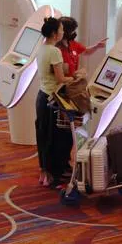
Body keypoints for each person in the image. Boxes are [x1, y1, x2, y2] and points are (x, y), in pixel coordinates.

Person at [34, 17, 81, 189]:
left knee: (43, 135)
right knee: (58, 137)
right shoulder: (55, 52)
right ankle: (55, 173)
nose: (63, 32)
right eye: (61, 29)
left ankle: (45, 172)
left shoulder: (43, 48)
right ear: (54, 34)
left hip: (42, 96)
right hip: (52, 98)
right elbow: (60, 78)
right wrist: (76, 78)